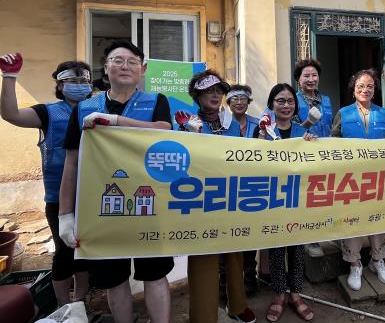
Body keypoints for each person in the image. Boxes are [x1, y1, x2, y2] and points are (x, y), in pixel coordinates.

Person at [58, 40, 174, 323]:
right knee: (114, 279)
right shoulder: (84, 108)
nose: (125, 66)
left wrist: (115, 121)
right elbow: (72, 162)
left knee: (155, 275)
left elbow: (164, 130)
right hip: (102, 210)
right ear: (105, 67)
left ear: (142, 69)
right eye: (117, 60)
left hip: (149, 206)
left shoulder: (156, 101)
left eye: (133, 61)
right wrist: (65, 215)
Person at [0, 54, 92, 307]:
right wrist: (10, 77)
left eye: (84, 81)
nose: (80, 85)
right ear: (60, 85)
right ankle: (62, 305)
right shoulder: (48, 112)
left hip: (94, 195)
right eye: (72, 81)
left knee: (86, 252)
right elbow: (11, 114)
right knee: (64, 253)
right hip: (58, 198)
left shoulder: (97, 109)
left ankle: (80, 303)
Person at [175, 69, 256, 323]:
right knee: (203, 258)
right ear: (196, 95)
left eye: (218, 90)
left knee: (235, 253)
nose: (214, 95)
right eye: (208, 91)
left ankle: (238, 306)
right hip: (201, 200)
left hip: (231, 197)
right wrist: (190, 135)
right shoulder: (184, 122)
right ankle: (203, 316)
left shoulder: (231, 123)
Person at [252, 83, 315, 322]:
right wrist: (261, 137)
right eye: (280, 101)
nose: (286, 105)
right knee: (277, 248)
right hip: (273, 199)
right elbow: (254, 161)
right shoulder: (263, 131)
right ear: (271, 104)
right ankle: (279, 294)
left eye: (290, 101)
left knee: (297, 248)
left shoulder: (302, 132)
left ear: (295, 106)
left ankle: (296, 294)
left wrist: (313, 144)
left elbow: (314, 163)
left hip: (298, 199)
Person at [331, 69, 385, 291]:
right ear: (354, 90)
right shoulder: (343, 113)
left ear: (374, 90)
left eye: (369, 86)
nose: (365, 90)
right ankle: (354, 263)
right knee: (353, 219)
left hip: (379, 179)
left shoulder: (384, 114)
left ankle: (377, 260)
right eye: (360, 86)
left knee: (380, 219)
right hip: (351, 180)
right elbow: (333, 143)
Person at [293, 59, 332, 257]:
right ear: (298, 79)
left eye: (314, 75)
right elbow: (290, 130)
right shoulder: (293, 100)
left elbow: (331, 126)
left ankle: (326, 231)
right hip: (304, 156)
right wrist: (308, 122)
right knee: (307, 196)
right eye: (306, 75)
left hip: (325, 155)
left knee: (324, 195)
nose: (311, 79)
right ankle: (310, 239)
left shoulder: (326, 100)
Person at [224, 84, 259, 295]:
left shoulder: (260, 123)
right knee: (228, 234)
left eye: (243, 99)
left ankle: (249, 275)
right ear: (228, 102)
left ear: (248, 102)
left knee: (249, 233)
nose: (239, 102)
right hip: (227, 187)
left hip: (251, 187)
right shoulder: (221, 123)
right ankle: (226, 280)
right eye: (234, 99)